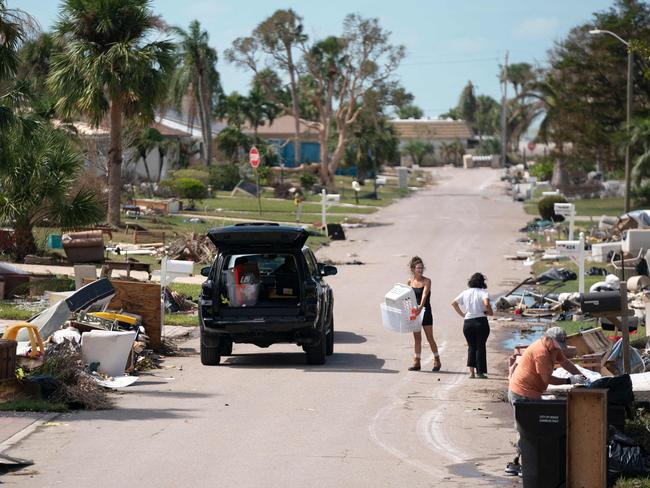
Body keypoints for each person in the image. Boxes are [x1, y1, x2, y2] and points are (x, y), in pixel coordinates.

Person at [504, 326, 586, 476]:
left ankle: (520, 462)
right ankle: (521, 465)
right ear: (547, 338)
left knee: (532, 429)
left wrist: (582, 376)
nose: (557, 348)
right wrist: (569, 379)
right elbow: (546, 380)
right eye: (556, 344)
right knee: (526, 430)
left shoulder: (553, 348)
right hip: (521, 393)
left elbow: (566, 363)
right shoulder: (541, 353)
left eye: (559, 346)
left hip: (532, 392)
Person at [451, 272, 492, 379]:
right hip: (481, 322)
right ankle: (480, 372)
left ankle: (471, 373)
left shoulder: (465, 292)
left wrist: (462, 315)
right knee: (480, 346)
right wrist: (490, 312)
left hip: (468, 322)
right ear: (482, 282)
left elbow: (454, 303)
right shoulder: (483, 293)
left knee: (471, 346)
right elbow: (486, 304)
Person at [406, 256, 441, 372]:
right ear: (413, 269)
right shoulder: (409, 282)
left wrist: (421, 306)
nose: (420, 270)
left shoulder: (427, 281)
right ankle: (417, 362)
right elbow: (406, 298)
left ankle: (437, 359)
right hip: (414, 313)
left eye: (421, 268)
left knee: (430, 337)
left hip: (425, 312)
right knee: (417, 339)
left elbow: (425, 294)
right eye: (418, 268)